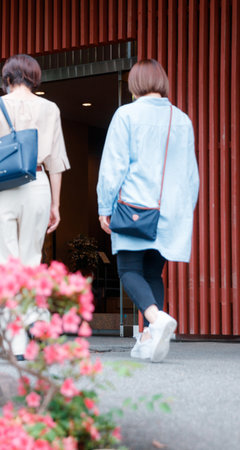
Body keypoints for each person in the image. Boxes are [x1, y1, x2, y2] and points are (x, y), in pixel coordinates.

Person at [97, 59, 199, 362]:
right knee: (154, 272)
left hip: (134, 209)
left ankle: (156, 320)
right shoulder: (182, 119)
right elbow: (191, 174)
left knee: (128, 271)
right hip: (170, 213)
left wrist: (105, 206)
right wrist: (184, 213)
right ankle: (149, 339)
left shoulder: (126, 114)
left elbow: (113, 165)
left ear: (135, 83)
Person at [0, 54, 70, 359]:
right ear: (34, 77)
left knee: (3, 263)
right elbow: (56, 161)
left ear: (8, 77)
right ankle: (36, 320)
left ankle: (16, 341)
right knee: (30, 260)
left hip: (0, 188)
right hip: (37, 184)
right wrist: (55, 204)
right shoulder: (50, 108)